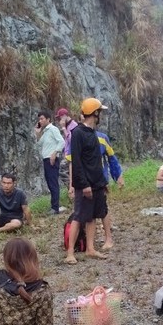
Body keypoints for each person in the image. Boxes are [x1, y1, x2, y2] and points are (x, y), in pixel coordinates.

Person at [64, 98, 110, 265]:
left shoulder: (92, 132)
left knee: (92, 217)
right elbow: (76, 162)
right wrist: (84, 185)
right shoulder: (78, 133)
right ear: (95, 113)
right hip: (85, 185)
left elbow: (95, 161)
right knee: (78, 217)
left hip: (97, 183)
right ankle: (70, 253)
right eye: (100, 112)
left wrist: (102, 182)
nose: (101, 115)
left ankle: (90, 248)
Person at [96, 130, 124, 250]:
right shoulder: (78, 136)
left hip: (101, 180)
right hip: (85, 181)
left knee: (103, 209)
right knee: (87, 213)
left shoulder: (102, 138)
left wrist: (118, 176)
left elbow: (111, 158)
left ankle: (108, 238)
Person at [35, 111, 65, 214]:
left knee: (53, 183)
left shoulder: (53, 129)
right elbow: (39, 144)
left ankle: (55, 208)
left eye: (42, 118)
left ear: (48, 119)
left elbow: (62, 141)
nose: (40, 121)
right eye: (39, 119)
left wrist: (54, 153)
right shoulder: (46, 131)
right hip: (46, 159)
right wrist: (38, 133)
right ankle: (54, 206)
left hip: (52, 159)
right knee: (50, 182)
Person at [56, 107, 79, 191]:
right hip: (68, 153)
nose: (59, 120)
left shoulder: (74, 126)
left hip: (73, 154)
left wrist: (63, 128)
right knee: (66, 172)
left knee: (62, 170)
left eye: (60, 117)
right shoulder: (68, 125)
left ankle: (73, 189)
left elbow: (71, 140)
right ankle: (72, 189)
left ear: (64, 116)